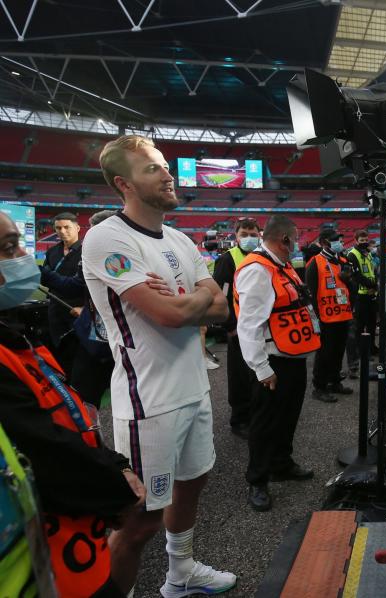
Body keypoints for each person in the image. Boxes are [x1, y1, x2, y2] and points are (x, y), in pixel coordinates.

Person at [83, 135, 236, 597]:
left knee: (193, 483)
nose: (168, 174)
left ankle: (181, 573)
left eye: (165, 165)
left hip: (194, 389)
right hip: (149, 402)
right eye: (153, 168)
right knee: (140, 519)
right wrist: (196, 300)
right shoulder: (107, 237)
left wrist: (189, 302)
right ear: (123, 183)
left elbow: (222, 309)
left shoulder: (179, 237)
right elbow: (170, 316)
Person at [0, 210, 144, 597]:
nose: (21, 257)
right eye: (8, 248)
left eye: (17, 244)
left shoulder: (17, 338)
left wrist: (113, 465)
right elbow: (43, 446)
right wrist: (116, 490)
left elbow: (64, 415)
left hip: (70, 560)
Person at [235, 215, 319, 511]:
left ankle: (282, 464)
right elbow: (249, 325)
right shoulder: (258, 269)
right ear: (285, 239)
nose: (297, 244)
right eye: (295, 238)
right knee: (265, 423)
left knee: (287, 417)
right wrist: (261, 368)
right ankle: (257, 480)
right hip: (272, 361)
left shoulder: (280, 267)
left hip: (292, 357)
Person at [41, 209, 117, 412]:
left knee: (87, 388)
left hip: (103, 331)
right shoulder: (54, 252)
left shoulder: (105, 256)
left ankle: (89, 433)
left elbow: (78, 285)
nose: (91, 236)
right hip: (88, 325)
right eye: (58, 228)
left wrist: (42, 274)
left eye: (95, 231)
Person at [212, 218, 262, 438]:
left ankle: (256, 414)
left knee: (258, 373)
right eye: (245, 234)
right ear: (236, 235)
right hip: (239, 329)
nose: (249, 238)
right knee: (240, 376)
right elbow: (220, 296)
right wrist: (230, 327)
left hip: (261, 327)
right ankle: (240, 419)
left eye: (253, 233)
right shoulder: (227, 259)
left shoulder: (262, 257)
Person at [305, 229, 353, 402]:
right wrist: (314, 319)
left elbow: (350, 287)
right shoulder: (314, 263)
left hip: (343, 314)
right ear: (325, 242)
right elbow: (310, 293)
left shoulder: (343, 261)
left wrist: (348, 279)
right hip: (325, 317)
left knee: (339, 351)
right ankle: (319, 387)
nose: (339, 242)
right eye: (335, 240)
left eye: (340, 239)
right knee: (325, 352)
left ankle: (334, 381)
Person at [40, 212, 85, 376]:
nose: (62, 231)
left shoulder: (87, 251)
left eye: (67, 227)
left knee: (78, 352)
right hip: (55, 309)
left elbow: (92, 285)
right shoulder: (51, 252)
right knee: (57, 348)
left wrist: (85, 308)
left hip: (77, 310)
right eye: (58, 228)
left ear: (77, 228)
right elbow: (44, 279)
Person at [346, 229, 378, 363]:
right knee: (360, 325)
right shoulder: (352, 255)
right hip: (360, 295)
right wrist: (372, 285)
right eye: (361, 241)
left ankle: (371, 347)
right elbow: (356, 276)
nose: (364, 243)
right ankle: (361, 351)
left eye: (366, 240)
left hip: (371, 293)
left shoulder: (368, 253)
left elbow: (373, 270)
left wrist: (375, 284)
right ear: (356, 241)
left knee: (372, 324)